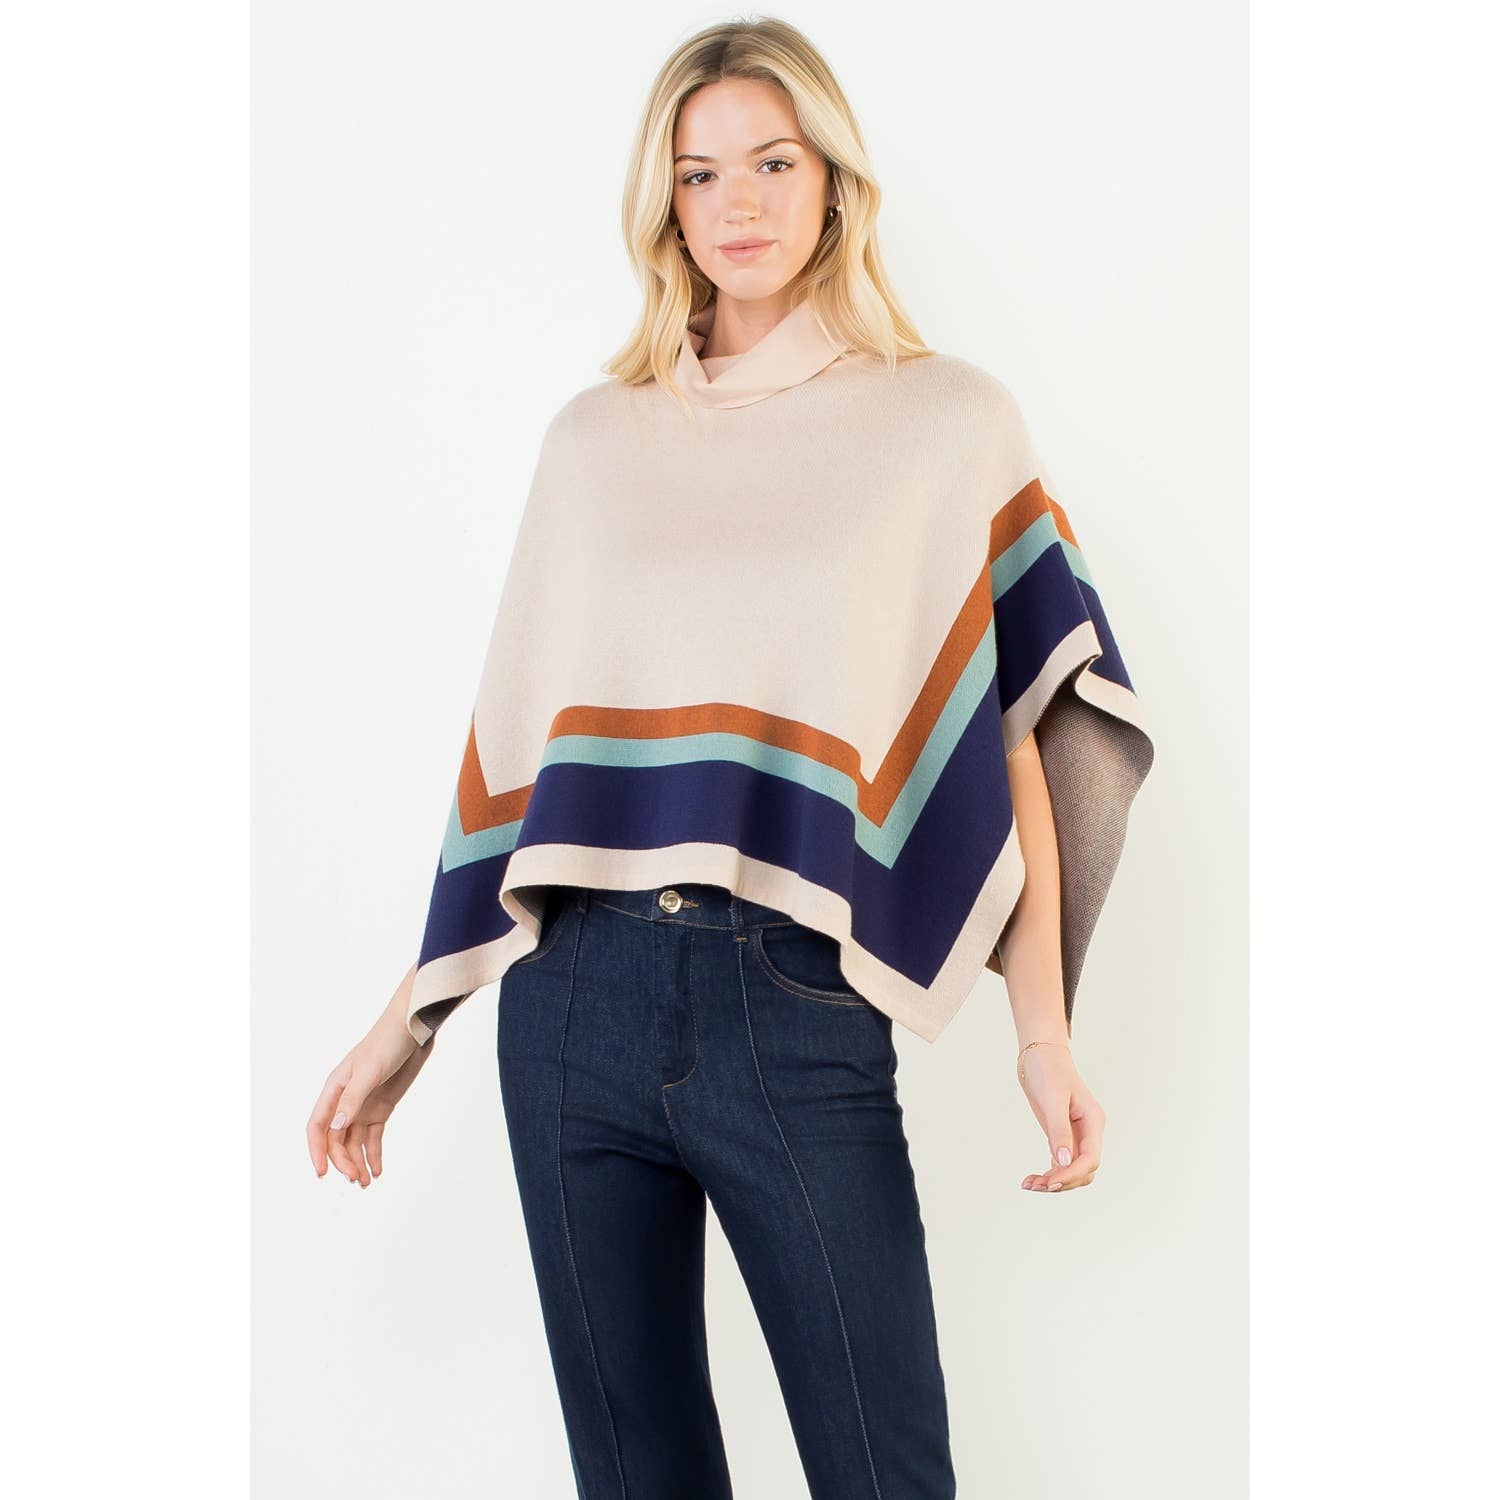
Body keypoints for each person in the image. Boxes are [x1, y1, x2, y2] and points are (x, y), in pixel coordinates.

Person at [306, 17, 1154, 1498]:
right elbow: (517, 768)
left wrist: (1043, 1033)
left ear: (835, 181)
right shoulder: (595, 440)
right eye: (700, 175)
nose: (739, 204)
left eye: (773, 162)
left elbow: (1014, 736)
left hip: (797, 1005)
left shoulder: (944, 423)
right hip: (571, 1008)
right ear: (666, 204)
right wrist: (412, 1016)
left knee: (886, 1473)